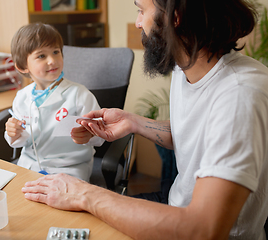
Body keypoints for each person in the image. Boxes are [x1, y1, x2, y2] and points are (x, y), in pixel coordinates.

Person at [21, 1, 268, 239]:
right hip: (175, 207)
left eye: (141, 11)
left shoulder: (240, 94)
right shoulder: (187, 70)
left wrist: (84, 193)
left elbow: (202, 230)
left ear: (174, 17)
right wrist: (134, 122)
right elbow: (196, 136)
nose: (138, 23)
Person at [5, 23, 104, 181]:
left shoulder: (79, 94)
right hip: (29, 165)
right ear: (23, 66)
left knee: (59, 202)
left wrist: (90, 133)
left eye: (56, 52)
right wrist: (13, 132)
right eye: (41, 56)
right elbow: (22, 140)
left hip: (70, 168)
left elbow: (100, 136)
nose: (52, 60)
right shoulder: (22, 97)